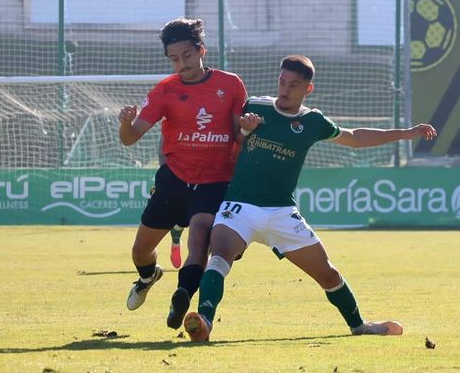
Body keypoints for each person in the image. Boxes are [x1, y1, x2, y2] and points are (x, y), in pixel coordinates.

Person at [182, 54, 437, 342]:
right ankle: (204, 320)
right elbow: (230, 144)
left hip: (281, 213)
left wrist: (406, 133)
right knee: (220, 256)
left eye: (293, 85)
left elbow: (354, 138)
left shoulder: (313, 121)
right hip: (240, 206)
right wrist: (243, 130)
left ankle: (359, 324)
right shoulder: (255, 107)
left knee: (327, 274)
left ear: (308, 89)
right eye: (281, 82)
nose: (285, 90)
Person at [119, 17, 248, 329]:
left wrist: (245, 135)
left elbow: (238, 136)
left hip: (215, 181)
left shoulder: (230, 84)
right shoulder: (165, 91)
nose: (181, 64)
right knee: (140, 250)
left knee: (199, 241)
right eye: (174, 59)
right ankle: (149, 276)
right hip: (175, 180)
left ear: (201, 50)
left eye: (186, 56)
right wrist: (125, 122)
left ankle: (183, 294)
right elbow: (130, 138)